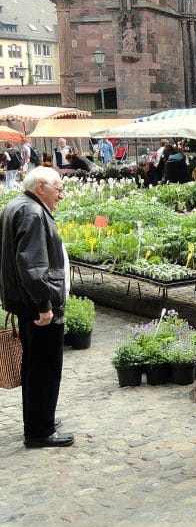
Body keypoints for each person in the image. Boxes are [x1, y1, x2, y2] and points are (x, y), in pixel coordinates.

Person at [0, 166, 74, 448]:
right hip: (38, 306)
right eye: (58, 189)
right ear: (41, 187)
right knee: (44, 368)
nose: (61, 195)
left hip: (24, 301)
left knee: (34, 366)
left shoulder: (17, 206)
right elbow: (31, 265)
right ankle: (40, 430)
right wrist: (44, 305)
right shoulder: (31, 212)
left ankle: (38, 420)